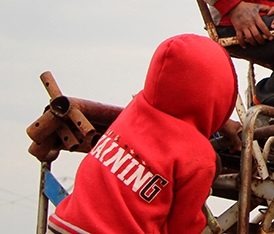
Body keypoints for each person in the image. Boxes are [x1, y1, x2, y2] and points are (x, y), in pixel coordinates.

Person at [48, 34, 239, 234]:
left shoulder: (135, 110)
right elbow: (182, 228)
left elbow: (178, 96)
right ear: (220, 95)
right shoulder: (199, 158)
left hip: (64, 223)